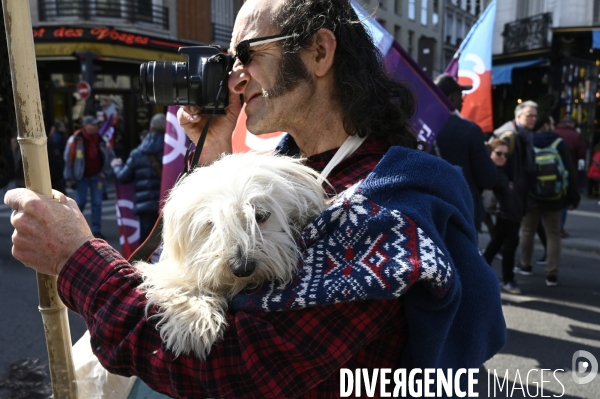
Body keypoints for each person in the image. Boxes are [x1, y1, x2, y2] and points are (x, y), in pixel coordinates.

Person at [5, 1, 506, 397]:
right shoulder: (284, 169)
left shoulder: (385, 214)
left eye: (246, 54)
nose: (234, 77)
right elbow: (191, 277)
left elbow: (229, 369)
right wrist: (216, 162)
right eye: (228, 60)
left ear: (319, 53)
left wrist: (76, 258)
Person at [515, 114, 580, 287]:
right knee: (553, 233)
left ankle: (526, 265)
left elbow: (521, 171)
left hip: (532, 196)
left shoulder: (527, 141)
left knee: (527, 231)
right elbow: (570, 171)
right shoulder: (559, 143)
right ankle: (551, 274)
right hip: (555, 197)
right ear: (545, 126)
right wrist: (574, 196)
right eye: (551, 123)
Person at [433, 74, 497, 232]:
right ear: (452, 98)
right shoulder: (469, 130)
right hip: (464, 209)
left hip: (428, 210)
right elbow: (489, 178)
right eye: (461, 97)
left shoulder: (417, 128)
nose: (463, 101)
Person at [111, 114, 166, 243]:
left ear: (151, 129)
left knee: (147, 245)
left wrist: (116, 166)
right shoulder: (175, 151)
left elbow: (123, 177)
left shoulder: (138, 153)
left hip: (145, 206)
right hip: (168, 204)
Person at [483, 139, 523, 294]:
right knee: (509, 245)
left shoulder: (501, 170)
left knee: (497, 243)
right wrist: (508, 187)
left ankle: (485, 271)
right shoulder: (492, 171)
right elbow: (501, 189)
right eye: (498, 153)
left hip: (508, 212)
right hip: (505, 212)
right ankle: (508, 279)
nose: (502, 157)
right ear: (491, 153)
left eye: (505, 155)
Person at [63, 115, 113, 239]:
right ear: (85, 125)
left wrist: (105, 173)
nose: (94, 127)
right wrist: (69, 178)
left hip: (97, 176)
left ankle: (96, 230)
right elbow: (68, 159)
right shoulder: (75, 139)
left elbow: (111, 156)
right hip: (80, 177)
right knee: (80, 203)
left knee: (97, 203)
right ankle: (76, 230)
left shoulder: (101, 139)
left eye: (96, 124)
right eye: (92, 124)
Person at [553, 115, 586, 237]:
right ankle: (559, 227)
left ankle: (547, 226)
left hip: (549, 170)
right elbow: (581, 153)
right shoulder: (576, 136)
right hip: (567, 170)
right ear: (572, 124)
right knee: (564, 201)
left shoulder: (554, 132)